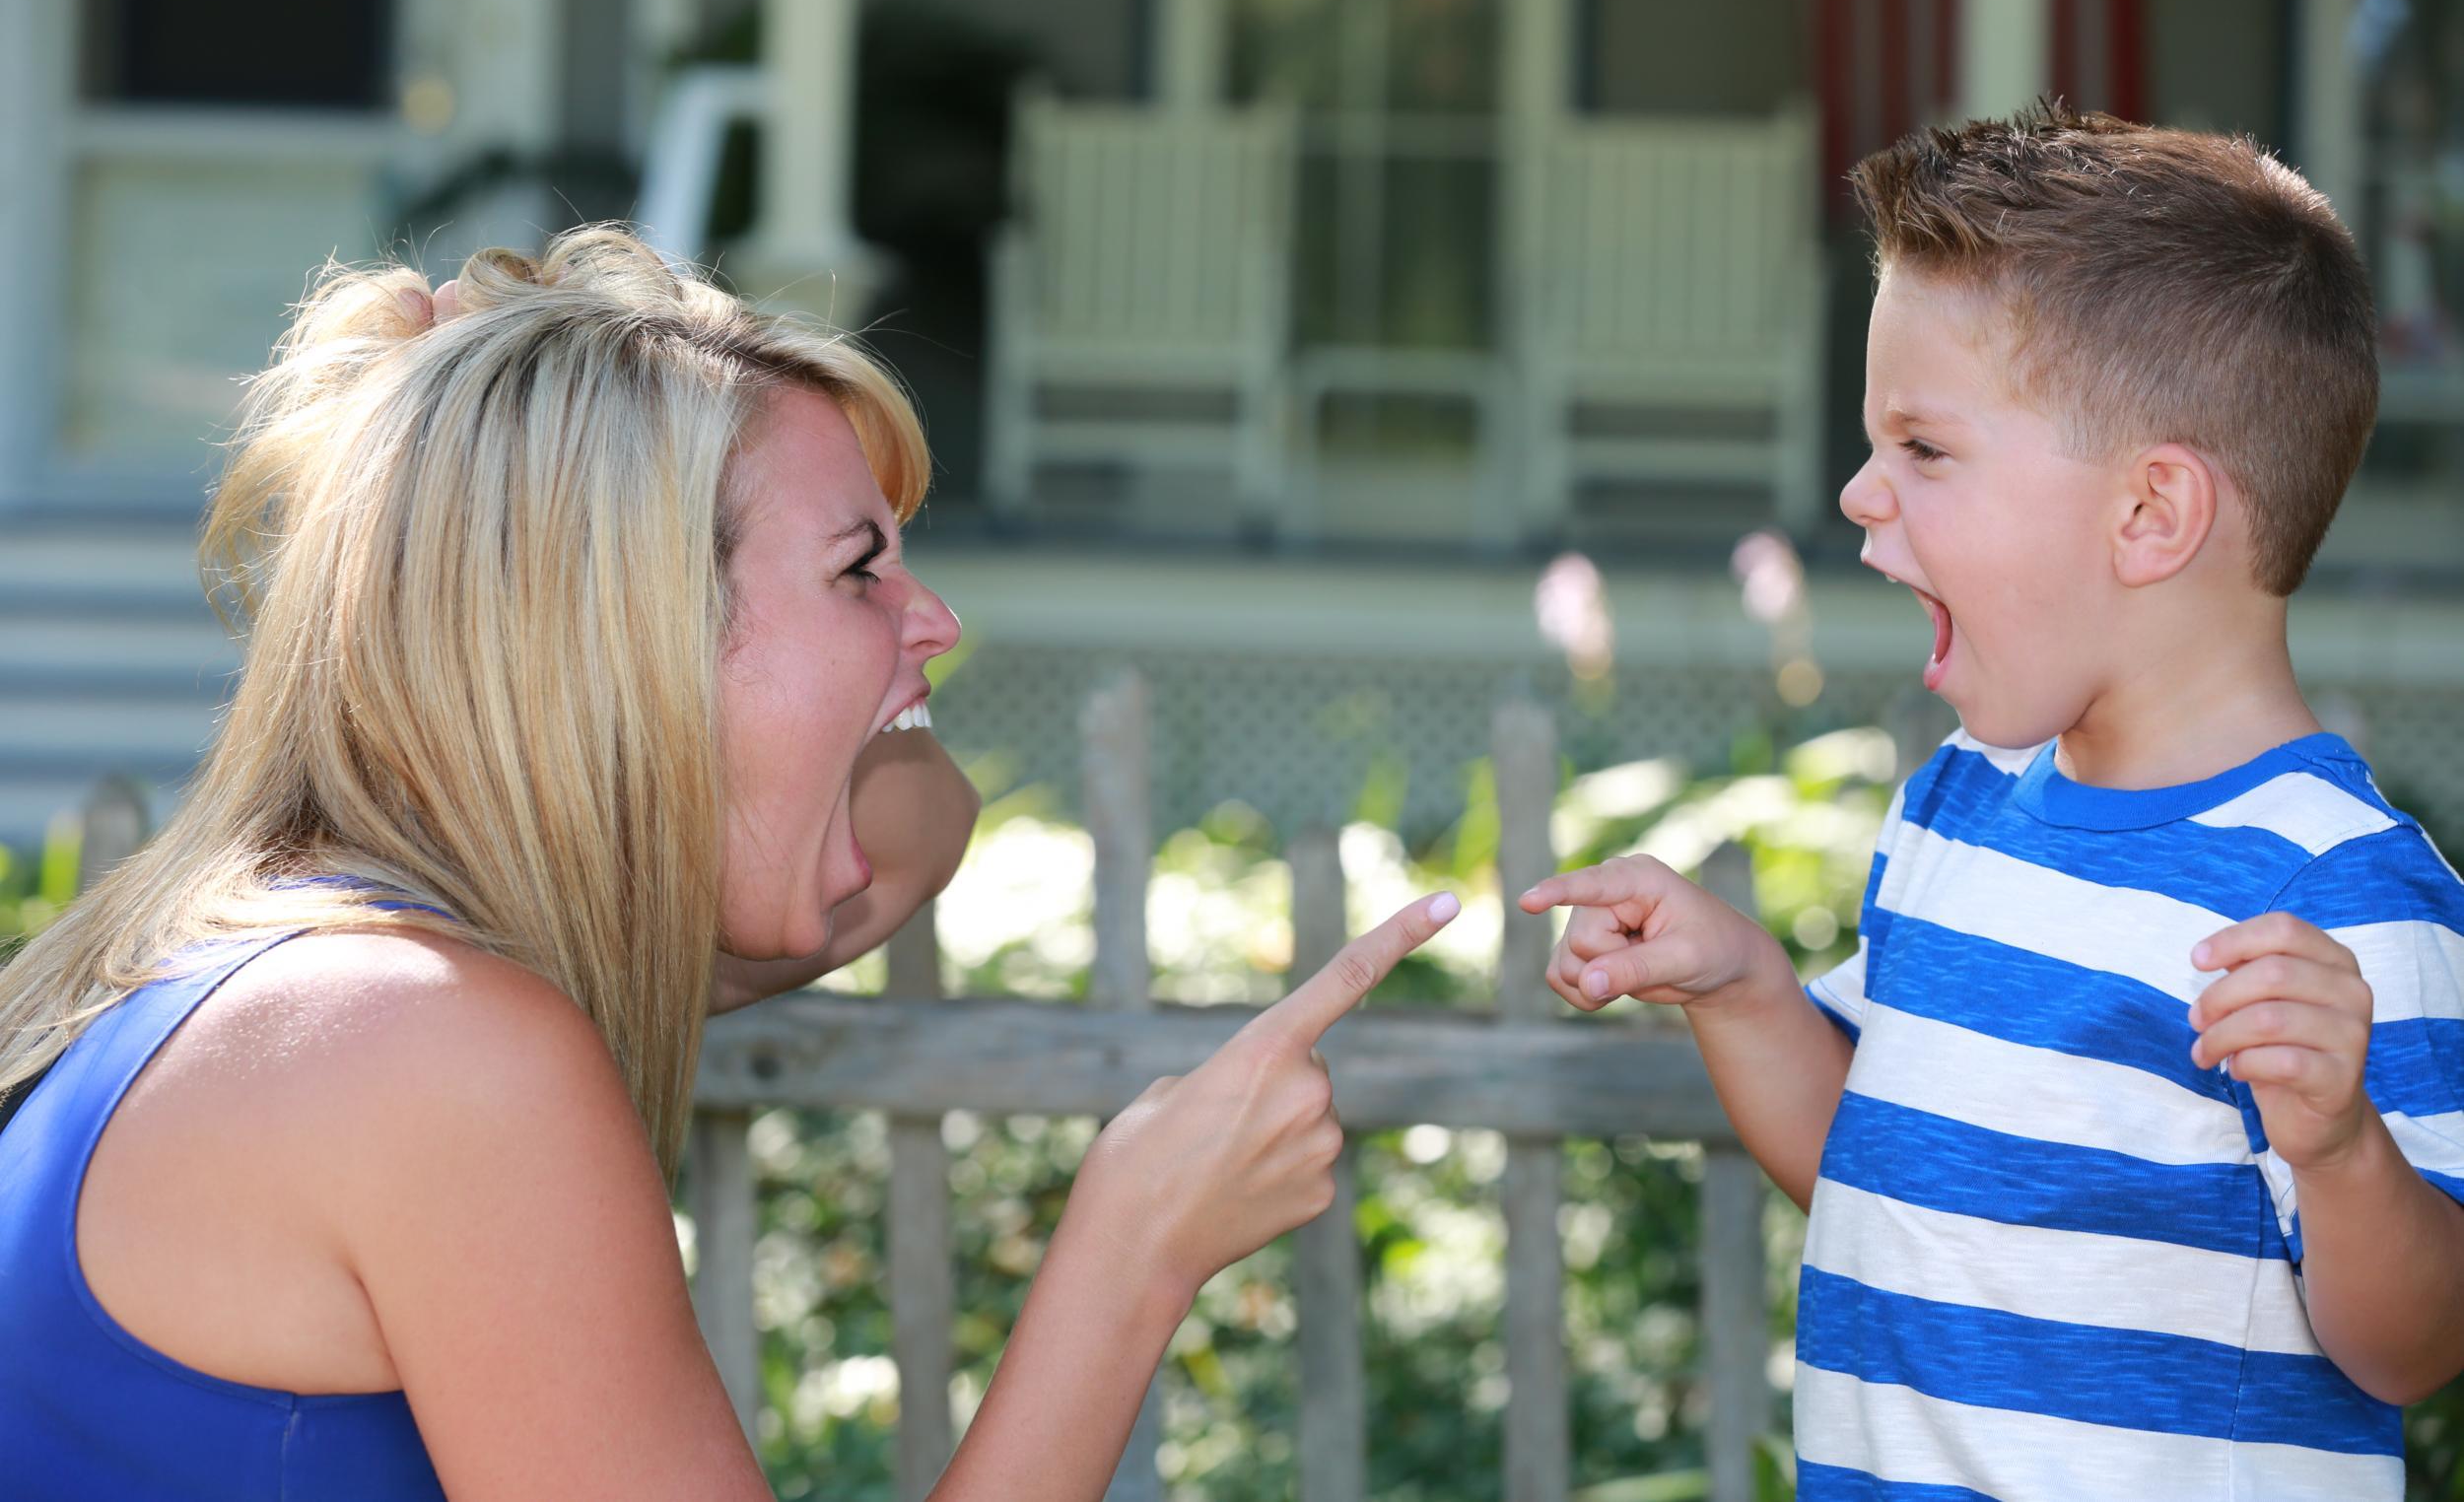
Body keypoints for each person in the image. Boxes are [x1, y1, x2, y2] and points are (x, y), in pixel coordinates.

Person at [0, 227, 1460, 1500]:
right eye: (859, 570)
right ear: (627, 641)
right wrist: (1134, 1251)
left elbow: (910, 826)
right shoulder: (427, 1050)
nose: (935, 616)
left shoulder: (297, 966)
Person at [1521, 104, 2464, 1500]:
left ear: (2151, 515)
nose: (1857, 494)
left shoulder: (2334, 895)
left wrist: (2339, 1152)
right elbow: (1883, 1182)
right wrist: (1744, 991)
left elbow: (2414, 1349)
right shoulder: (1958, 813)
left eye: (1923, 449)